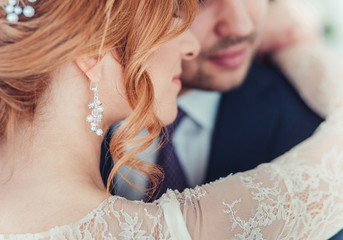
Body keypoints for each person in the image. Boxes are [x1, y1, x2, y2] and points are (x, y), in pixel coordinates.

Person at [1, 1, 343, 240]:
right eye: (175, 11)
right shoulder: (182, 227)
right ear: (93, 49)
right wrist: (299, 48)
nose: (190, 44)